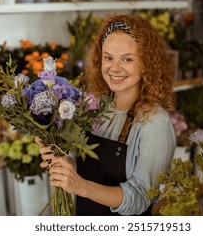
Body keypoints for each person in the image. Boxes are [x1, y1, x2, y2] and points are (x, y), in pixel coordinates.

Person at [36, 13, 177, 216]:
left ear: (146, 63)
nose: (115, 68)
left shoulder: (155, 121)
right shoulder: (94, 106)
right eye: (108, 57)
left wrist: (81, 187)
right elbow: (84, 164)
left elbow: (140, 198)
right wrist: (64, 162)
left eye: (127, 59)